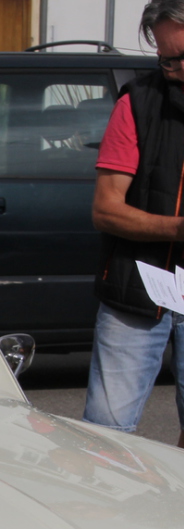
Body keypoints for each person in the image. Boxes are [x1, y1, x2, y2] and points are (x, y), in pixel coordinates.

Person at [84, 0, 184, 447]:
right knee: (105, 434)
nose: (175, 69)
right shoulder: (138, 102)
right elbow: (106, 209)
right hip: (136, 289)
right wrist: (177, 229)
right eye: (167, 59)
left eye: (182, 57)